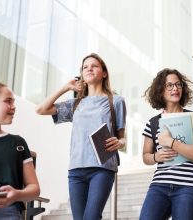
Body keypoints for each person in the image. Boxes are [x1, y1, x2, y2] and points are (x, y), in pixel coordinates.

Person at [35, 53, 126, 220]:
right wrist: (65, 88)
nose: (89, 68)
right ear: (82, 74)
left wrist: (120, 142)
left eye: (94, 66)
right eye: (85, 67)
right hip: (76, 170)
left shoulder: (116, 101)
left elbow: (122, 137)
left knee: (91, 217)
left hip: (102, 168)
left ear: (104, 73)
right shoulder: (76, 104)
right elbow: (41, 109)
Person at [139, 68, 193, 220]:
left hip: (189, 185)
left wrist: (171, 142)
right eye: (169, 85)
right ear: (160, 90)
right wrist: (156, 156)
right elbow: (145, 157)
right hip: (159, 185)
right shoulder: (153, 123)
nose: (175, 88)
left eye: (178, 84)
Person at [0, 82, 40, 219]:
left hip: (9, 214)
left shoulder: (18, 143)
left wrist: (17, 195)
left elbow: (34, 188)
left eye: (14, 102)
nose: (13, 107)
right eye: (8, 101)